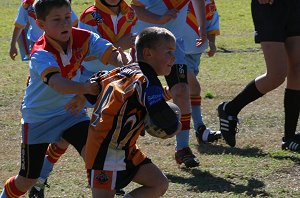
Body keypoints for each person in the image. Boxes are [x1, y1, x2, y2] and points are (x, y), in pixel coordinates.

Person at [0, 0, 130, 197]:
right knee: (26, 180)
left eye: (68, 17)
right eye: (57, 20)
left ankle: (106, 185)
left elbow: (111, 53)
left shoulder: (84, 38)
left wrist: (125, 62)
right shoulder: (40, 52)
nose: (65, 24)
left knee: (96, 156)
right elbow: (58, 84)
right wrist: (84, 88)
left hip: (71, 112)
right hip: (38, 118)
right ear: (41, 25)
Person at [84, 26, 181, 198]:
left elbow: (95, 85)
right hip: (104, 152)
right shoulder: (146, 80)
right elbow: (163, 118)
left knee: (159, 184)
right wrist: (174, 126)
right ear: (148, 53)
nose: (173, 57)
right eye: (168, 52)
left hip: (125, 148)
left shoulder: (122, 71)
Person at [131, 0, 218, 168]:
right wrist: (160, 19)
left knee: (181, 89)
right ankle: (128, 146)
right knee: (137, 93)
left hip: (173, 44)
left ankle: (182, 148)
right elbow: (135, 8)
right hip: (145, 45)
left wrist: (202, 27)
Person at [217, 0, 300, 150]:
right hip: (269, 7)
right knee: (277, 74)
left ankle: (289, 138)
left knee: (298, 70)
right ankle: (230, 109)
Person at [184, 0, 221, 144]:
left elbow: (211, 21)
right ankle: (199, 128)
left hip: (195, 53)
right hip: (175, 51)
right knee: (194, 88)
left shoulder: (207, 2)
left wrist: (211, 42)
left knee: (186, 91)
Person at [78, 0, 137, 82]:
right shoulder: (90, 16)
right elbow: (84, 56)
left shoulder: (131, 14)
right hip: (90, 76)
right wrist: (119, 45)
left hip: (119, 74)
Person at [9, 0, 78, 61]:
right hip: (36, 42)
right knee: (38, 68)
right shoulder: (27, 4)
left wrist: (73, 42)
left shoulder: (57, 3)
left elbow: (74, 22)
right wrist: (12, 45)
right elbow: (19, 25)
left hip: (58, 42)